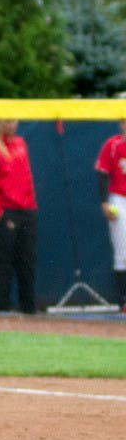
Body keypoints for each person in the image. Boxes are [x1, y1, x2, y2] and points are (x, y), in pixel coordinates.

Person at [0, 120, 38, 314]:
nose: (13, 123)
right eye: (8, 120)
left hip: (26, 211)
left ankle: (28, 308)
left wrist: (31, 207)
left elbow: (26, 177)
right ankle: (3, 308)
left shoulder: (21, 143)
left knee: (27, 260)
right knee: (4, 261)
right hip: (6, 211)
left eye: (15, 119)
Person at [94, 120, 126, 311]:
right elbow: (103, 175)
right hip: (118, 201)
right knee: (123, 252)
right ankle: (123, 300)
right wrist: (105, 202)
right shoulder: (112, 145)